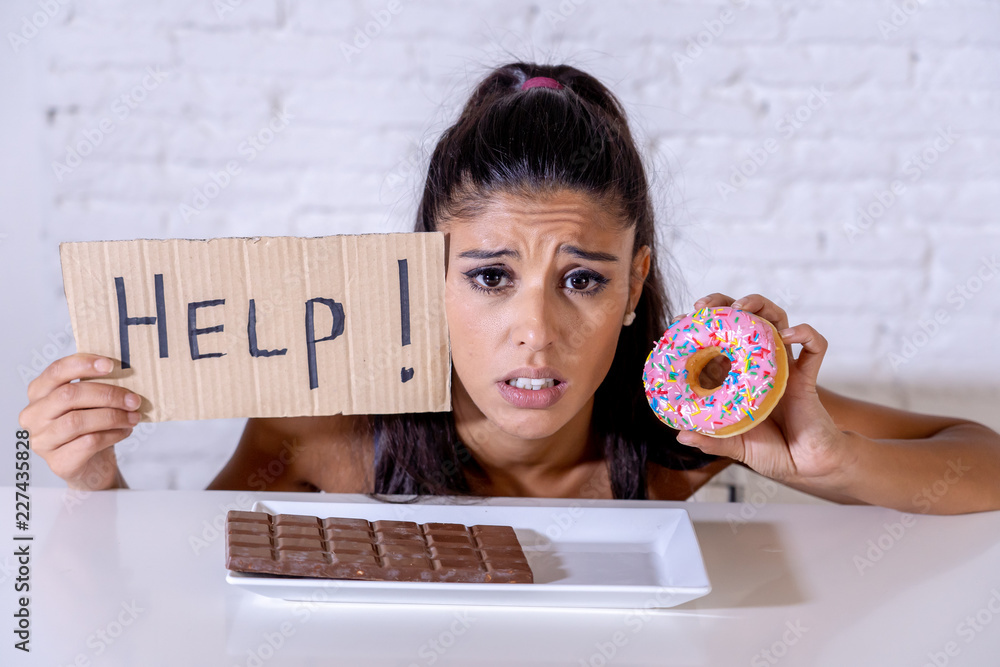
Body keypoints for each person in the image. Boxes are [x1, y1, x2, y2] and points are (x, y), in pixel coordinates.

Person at [18, 62, 1000, 513]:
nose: (535, 328)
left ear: (635, 286)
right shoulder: (320, 428)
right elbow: (193, 591)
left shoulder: (684, 439)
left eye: (582, 278)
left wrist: (829, 462)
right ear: (427, 274)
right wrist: (97, 485)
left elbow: (982, 459)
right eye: (490, 275)